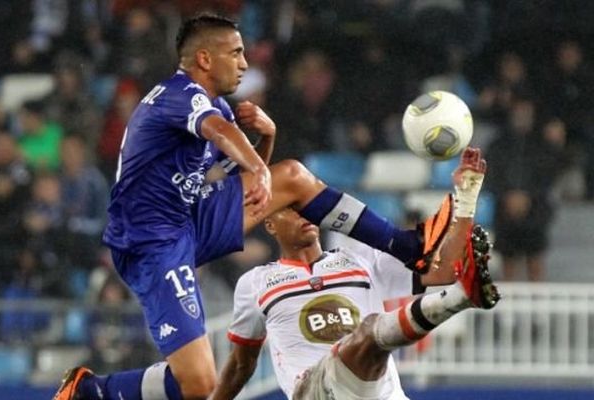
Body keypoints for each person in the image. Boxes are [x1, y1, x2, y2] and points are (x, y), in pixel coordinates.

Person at [54, 13, 482, 400]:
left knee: (292, 176)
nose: (244, 62)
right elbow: (220, 132)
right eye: (236, 53)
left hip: (189, 218)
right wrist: (258, 164)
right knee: (199, 384)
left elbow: (244, 175)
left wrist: (267, 144)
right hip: (152, 241)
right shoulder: (177, 95)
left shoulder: (216, 104)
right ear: (204, 58)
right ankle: (93, 391)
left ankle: (407, 245)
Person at [211, 164, 498, 400]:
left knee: (370, 336)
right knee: (370, 331)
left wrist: (467, 196)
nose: (306, 213)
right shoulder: (255, 283)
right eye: (292, 207)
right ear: (270, 224)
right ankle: (460, 298)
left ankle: (461, 294)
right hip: (316, 391)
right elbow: (240, 365)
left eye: (307, 206)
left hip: (382, 394)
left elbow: (446, 269)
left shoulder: (363, 261)